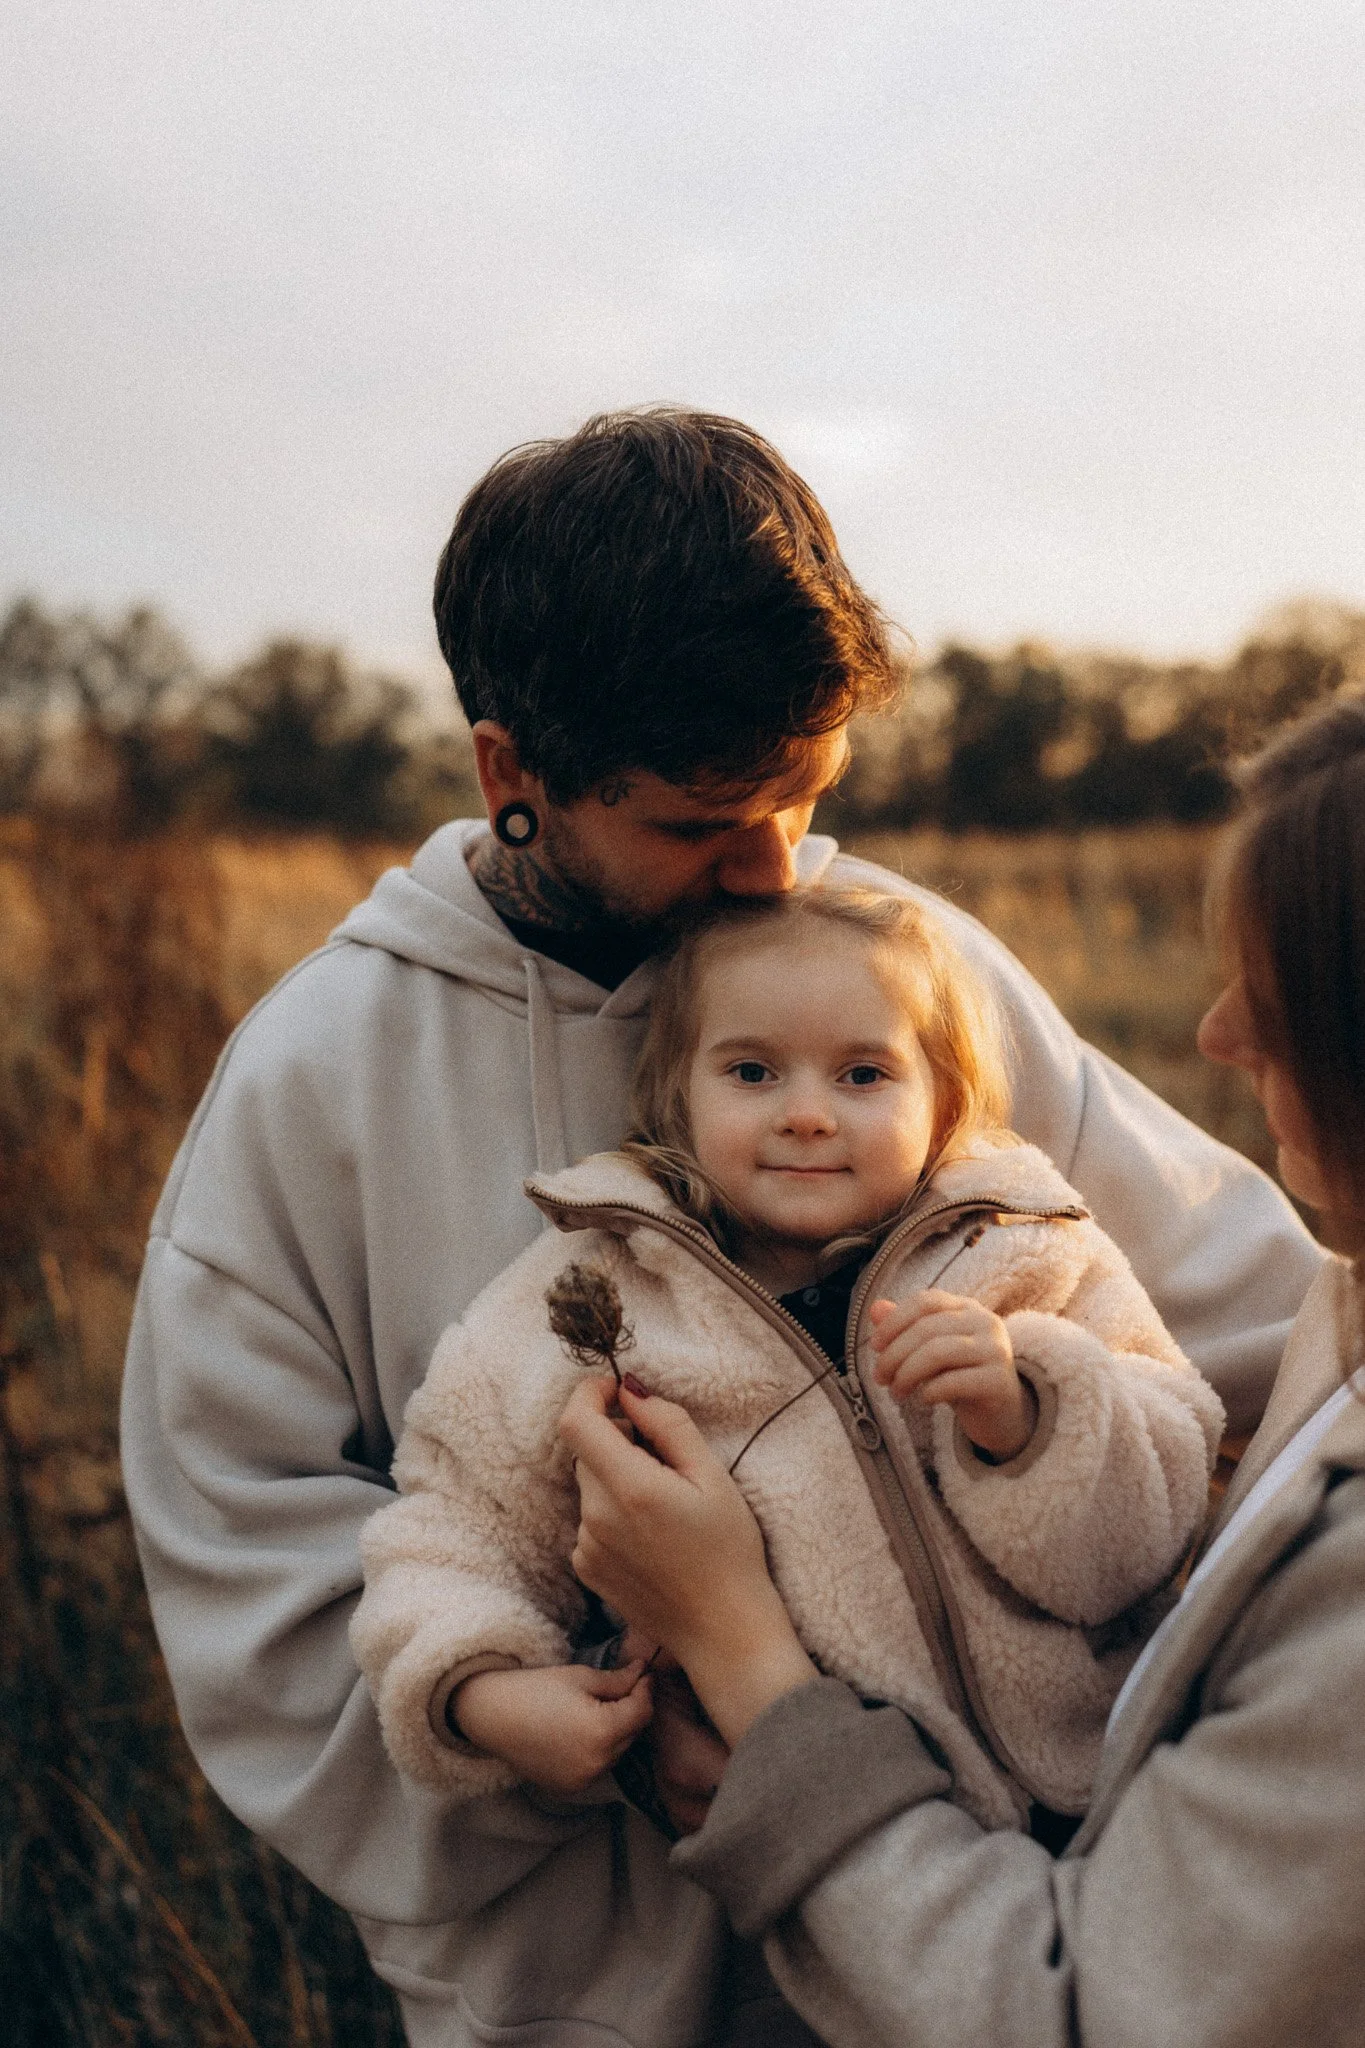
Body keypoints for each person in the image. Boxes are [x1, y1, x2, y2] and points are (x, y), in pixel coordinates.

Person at [120, 407, 1323, 2048]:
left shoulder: (904, 973)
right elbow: (243, 1566)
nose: (771, 873)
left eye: (803, 796)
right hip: (586, 1988)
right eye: (697, 820)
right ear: (511, 775)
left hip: (984, 1938)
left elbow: (1257, 1331)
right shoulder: (317, 1078)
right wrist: (582, 1748)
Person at [560, 690, 1365, 2048]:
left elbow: (1076, 2016)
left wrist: (747, 1666)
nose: (1219, 1033)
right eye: (749, 1069)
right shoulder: (1338, 1312)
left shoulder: (1031, 1243)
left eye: (1280, 1000)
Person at [352, 886, 1222, 1843]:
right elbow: (450, 1525)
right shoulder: (593, 1299)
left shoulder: (1024, 1250)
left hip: (1130, 1785)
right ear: (673, 1093)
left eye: (861, 1076)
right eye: (754, 1072)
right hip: (830, 1843)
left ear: (943, 1099)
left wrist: (1026, 1415)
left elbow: (1161, 1514)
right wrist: (480, 1693)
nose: (807, 1115)